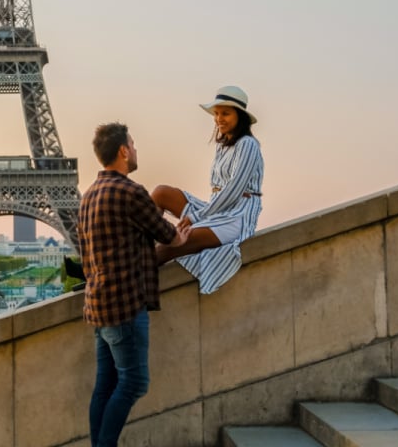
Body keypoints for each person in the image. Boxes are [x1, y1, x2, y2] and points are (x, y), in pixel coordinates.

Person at [79, 122, 189, 447]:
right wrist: (181, 234)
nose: (136, 150)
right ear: (124, 151)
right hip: (125, 306)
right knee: (134, 382)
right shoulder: (130, 191)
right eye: (134, 144)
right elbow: (166, 233)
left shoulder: (88, 196)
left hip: (98, 306)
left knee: (105, 385)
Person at [151, 85, 264, 295]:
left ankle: (118, 271)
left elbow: (232, 191)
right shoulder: (223, 146)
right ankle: (135, 248)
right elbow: (218, 193)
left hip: (236, 216)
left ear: (240, 116)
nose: (219, 119)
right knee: (160, 193)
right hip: (216, 209)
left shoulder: (248, 145)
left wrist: (196, 217)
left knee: (175, 243)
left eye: (226, 114)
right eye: (217, 113)